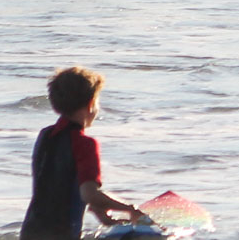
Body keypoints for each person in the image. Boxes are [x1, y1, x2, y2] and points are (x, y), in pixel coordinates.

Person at [20, 67, 147, 240]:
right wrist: (129, 209)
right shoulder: (85, 144)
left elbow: (58, 185)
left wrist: (99, 210)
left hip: (30, 231)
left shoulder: (45, 136)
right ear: (91, 104)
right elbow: (89, 194)